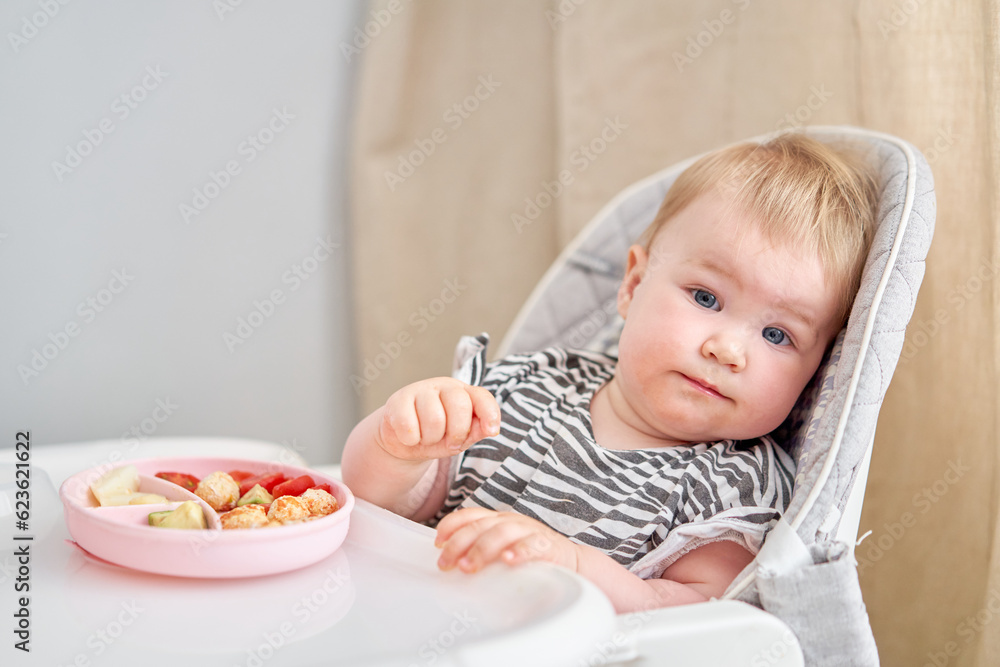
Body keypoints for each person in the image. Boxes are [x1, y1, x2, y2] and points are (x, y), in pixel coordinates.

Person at [341, 132, 878, 613]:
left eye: (777, 335)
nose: (728, 349)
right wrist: (397, 445)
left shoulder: (735, 488)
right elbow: (383, 505)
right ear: (632, 285)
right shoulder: (525, 388)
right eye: (706, 297)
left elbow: (700, 621)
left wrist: (573, 566)